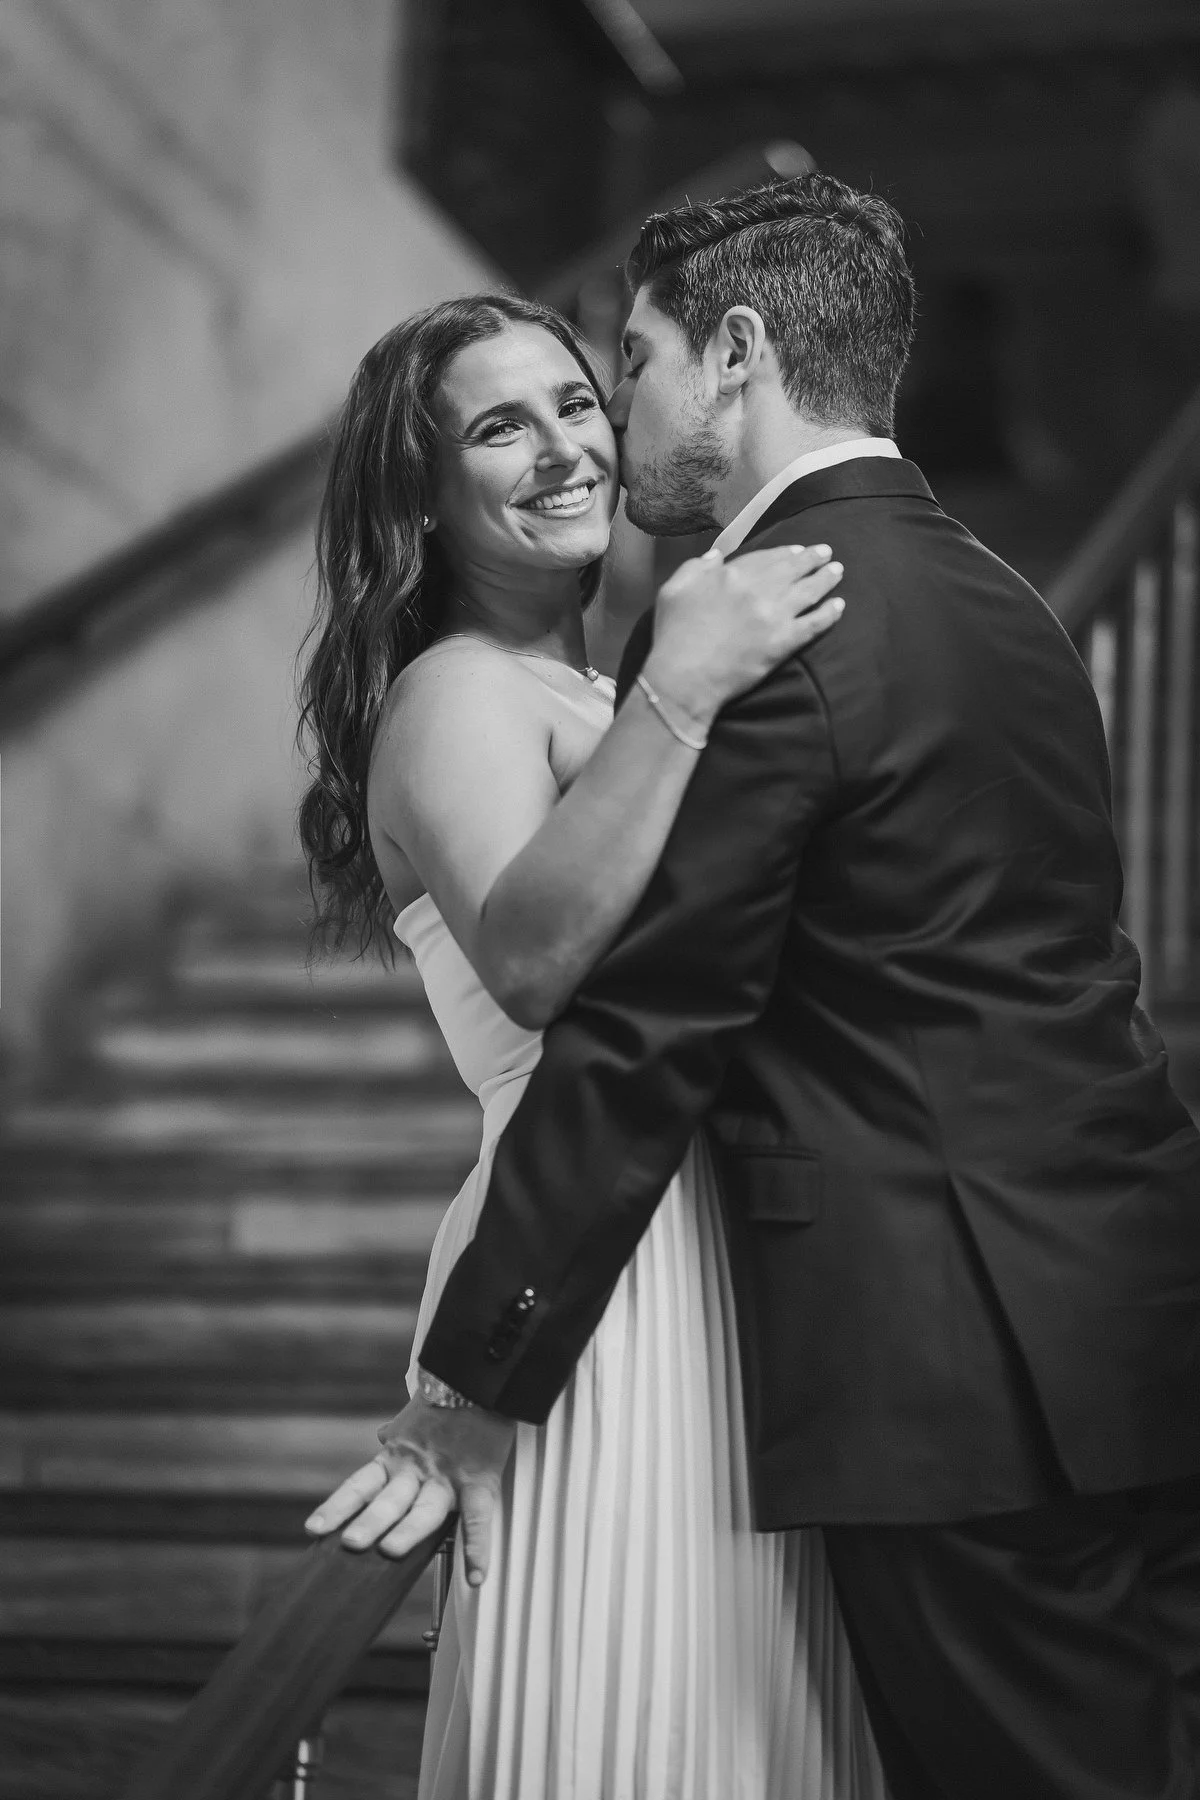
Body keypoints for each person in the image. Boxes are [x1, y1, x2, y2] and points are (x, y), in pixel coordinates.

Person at [310, 174, 1200, 1799]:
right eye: (504, 426)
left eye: (608, 377)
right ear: (422, 496)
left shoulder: (772, 629)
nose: (595, 429)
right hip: (1004, 1305)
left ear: (731, 354)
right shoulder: (1000, 606)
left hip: (902, 1342)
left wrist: (478, 1368)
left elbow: (656, 1028)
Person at [296, 292, 884, 1799]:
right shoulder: (453, 696)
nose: (566, 448)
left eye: (576, 401)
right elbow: (542, 960)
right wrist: (683, 686)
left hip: (721, 1257)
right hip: (578, 1284)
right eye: (500, 427)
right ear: (420, 500)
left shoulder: (590, 691)